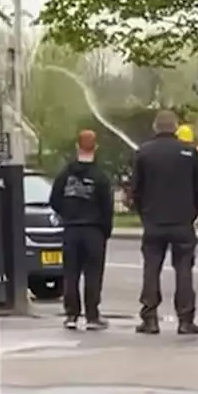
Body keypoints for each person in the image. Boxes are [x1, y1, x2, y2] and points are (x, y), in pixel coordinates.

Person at [130, 110, 198, 334]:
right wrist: (191, 213)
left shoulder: (143, 152)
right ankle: (185, 319)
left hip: (154, 220)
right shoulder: (190, 153)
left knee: (151, 268)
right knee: (184, 269)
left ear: (155, 127)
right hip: (182, 221)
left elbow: (136, 190)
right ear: (175, 128)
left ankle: (150, 318)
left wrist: (145, 214)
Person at [49, 130, 113, 330]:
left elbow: (54, 200)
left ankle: (71, 315)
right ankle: (92, 316)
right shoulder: (101, 176)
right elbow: (107, 206)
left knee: (71, 273)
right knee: (93, 274)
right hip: (93, 230)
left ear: (77, 147)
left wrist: (67, 214)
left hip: (71, 230)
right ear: (96, 148)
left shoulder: (65, 174)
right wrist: (105, 230)